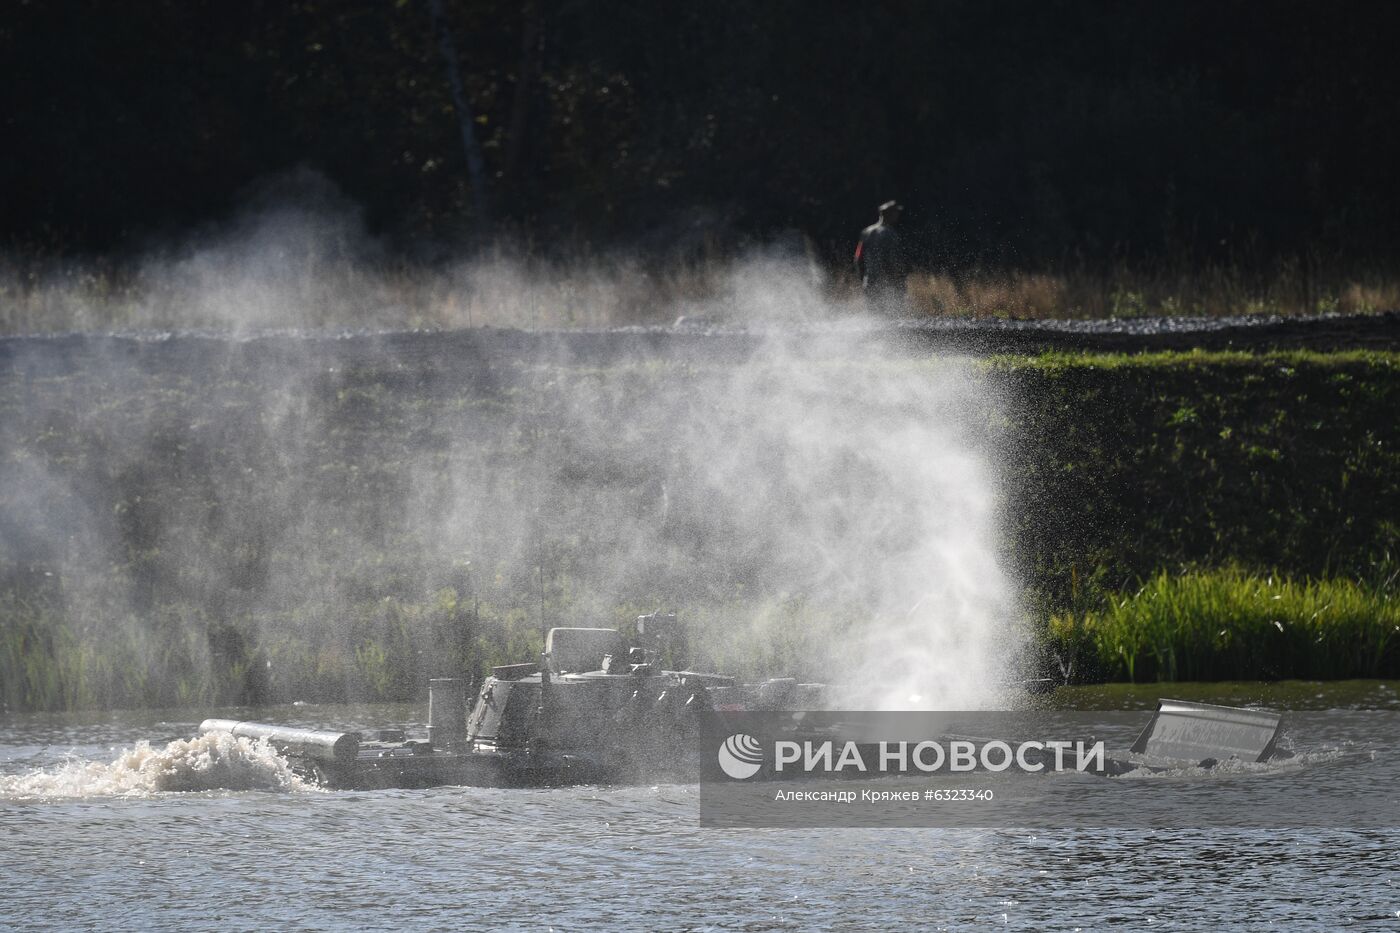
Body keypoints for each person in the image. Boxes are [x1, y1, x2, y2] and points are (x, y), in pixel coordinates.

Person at [854, 200, 909, 313]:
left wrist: (863, 279)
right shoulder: (890, 234)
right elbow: (893, 261)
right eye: (895, 212)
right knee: (892, 317)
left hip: (870, 282)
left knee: (874, 317)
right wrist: (899, 282)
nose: (897, 215)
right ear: (888, 214)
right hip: (888, 283)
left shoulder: (866, 232)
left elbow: (858, 258)